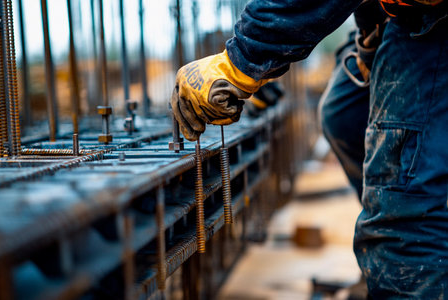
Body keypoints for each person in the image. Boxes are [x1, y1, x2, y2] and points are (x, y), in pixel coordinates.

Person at [170, 0, 448, 298]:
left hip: (434, 21)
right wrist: (263, 67)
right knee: (343, 114)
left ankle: (408, 247)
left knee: (402, 211)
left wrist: (242, 59)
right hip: (400, 16)